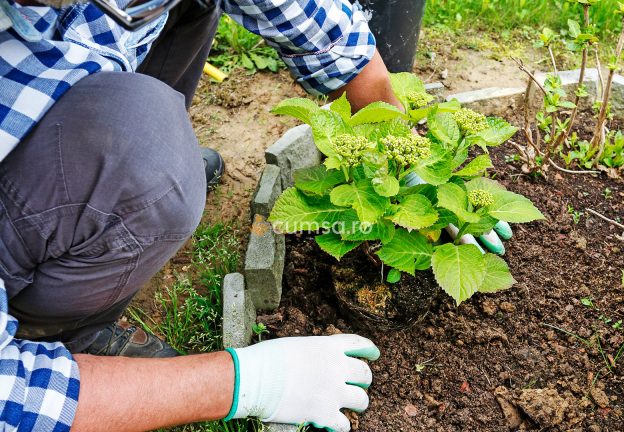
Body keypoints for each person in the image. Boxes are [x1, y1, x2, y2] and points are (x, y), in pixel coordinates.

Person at [0, 0, 401, 429]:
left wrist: (400, 158)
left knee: (192, 7)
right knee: (153, 173)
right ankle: (53, 333)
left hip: (50, 63)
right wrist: (247, 383)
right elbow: (11, 401)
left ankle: (130, 142)